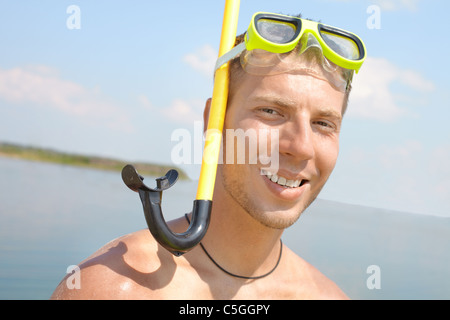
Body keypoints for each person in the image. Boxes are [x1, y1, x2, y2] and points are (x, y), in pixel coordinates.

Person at [51, 12, 365, 300]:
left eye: (323, 124)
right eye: (271, 111)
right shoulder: (115, 289)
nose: (302, 147)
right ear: (212, 122)